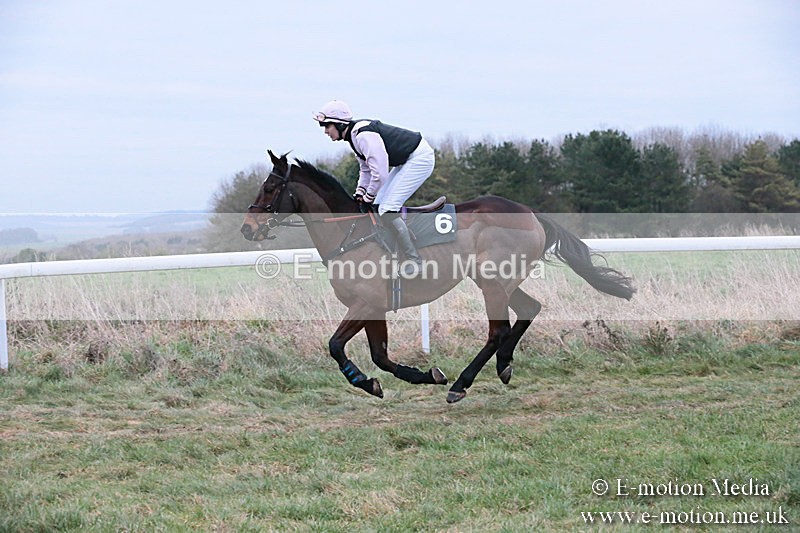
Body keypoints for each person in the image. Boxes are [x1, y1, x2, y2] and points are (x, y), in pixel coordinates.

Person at [313, 100, 435, 277]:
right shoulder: (353, 137)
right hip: (405, 160)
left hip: (419, 159)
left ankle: (414, 260)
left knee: (386, 208)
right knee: (378, 206)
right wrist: (360, 192)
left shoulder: (362, 135)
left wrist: (368, 197)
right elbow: (365, 169)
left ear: (339, 124)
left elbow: (380, 173)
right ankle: (392, 253)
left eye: (327, 126)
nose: (325, 131)